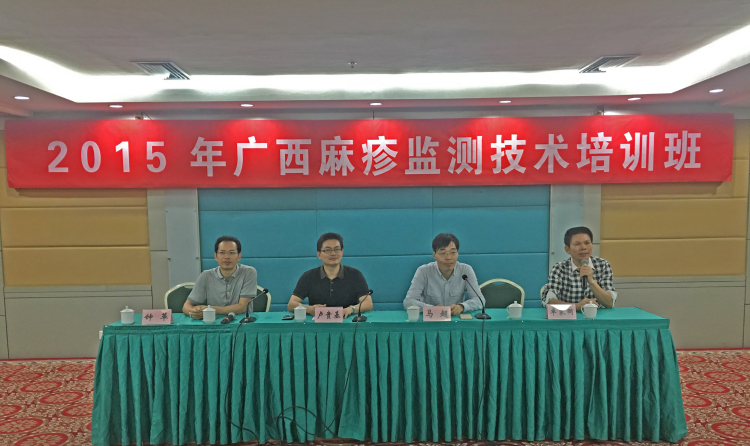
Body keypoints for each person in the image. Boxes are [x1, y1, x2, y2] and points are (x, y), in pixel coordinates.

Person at [287, 232, 372, 318]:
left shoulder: (355, 275)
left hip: (349, 323)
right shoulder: (308, 276)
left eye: (337, 249)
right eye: (328, 250)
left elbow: (368, 303)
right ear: (319, 254)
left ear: (342, 252)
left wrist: (350, 309)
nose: (333, 253)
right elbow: (291, 304)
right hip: (318, 324)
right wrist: (310, 309)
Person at [403, 233, 483, 315]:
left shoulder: (466, 270)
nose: (448, 258)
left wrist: (461, 307)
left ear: (457, 254)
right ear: (434, 255)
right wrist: (433, 309)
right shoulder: (423, 271)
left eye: (453, 252)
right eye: (443, 253)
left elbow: (480, 300)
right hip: (431, 318)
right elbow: (408, 302)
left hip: (455, 318)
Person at [183, 235, 257, 319]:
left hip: (242, 322)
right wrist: (193, 313)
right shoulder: (206, 275)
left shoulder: (248, 272)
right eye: (222, 252)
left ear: (239, 256)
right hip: (213, 322)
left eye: (231, 253)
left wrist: (210, 310)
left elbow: (242, 307)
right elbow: (187, 305)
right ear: (216, 256)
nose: (226, 257)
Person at [542, 226, 616, 310]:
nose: (583, 247)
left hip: (597, 316)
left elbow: (609, 303)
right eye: (577, 244)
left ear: (592, 245)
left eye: (587, 243)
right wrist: (577, 306)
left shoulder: (603, 265)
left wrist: (591, 281)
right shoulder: (559, 268)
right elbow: (549, 302)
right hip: (569, 316)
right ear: (567, 249)